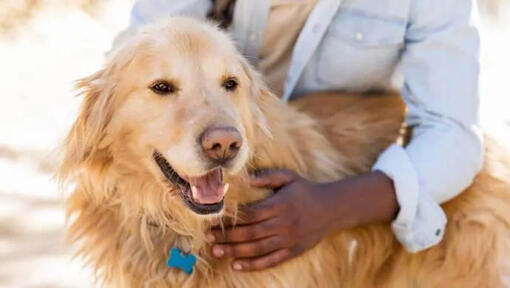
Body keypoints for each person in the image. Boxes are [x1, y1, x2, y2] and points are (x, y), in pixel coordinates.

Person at [125, 0, 483, 272]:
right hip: (204, 168)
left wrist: (333, 206)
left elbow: (451, 130)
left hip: (352, 176)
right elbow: (139, 60)